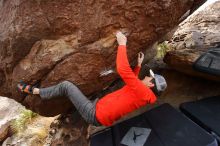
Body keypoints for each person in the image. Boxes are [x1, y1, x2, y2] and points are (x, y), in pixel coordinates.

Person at [17, 31, 167, 127]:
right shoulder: (143, 94)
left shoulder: (143, 92)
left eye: (150, 77)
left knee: (66, 86)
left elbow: (123, 70)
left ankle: (37, 91)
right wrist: (139, 65)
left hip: (94, 113)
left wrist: (122, 45)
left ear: (151, 85)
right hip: (98, 109)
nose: (147, 76)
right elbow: (131, 82)